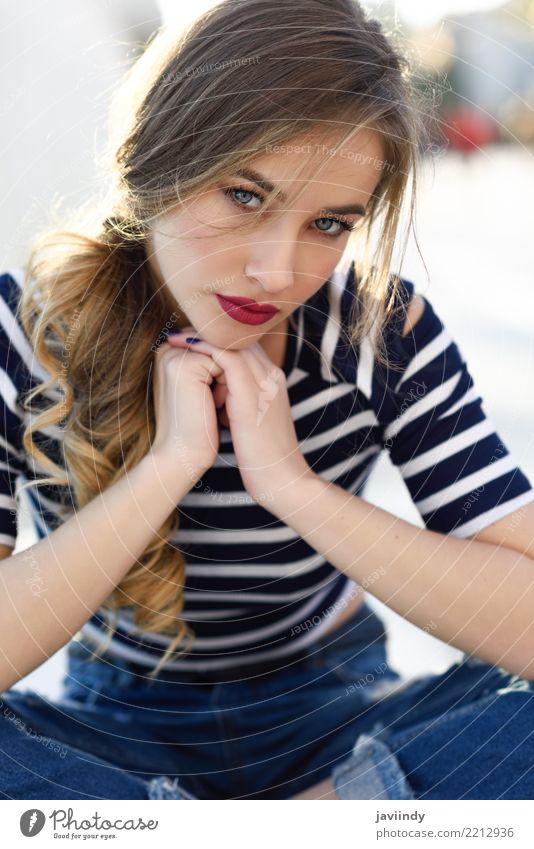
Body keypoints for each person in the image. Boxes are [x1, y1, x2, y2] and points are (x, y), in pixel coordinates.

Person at [1, 0, 533, 801]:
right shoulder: (30, 330)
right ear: (155, 159)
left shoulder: (375, 330)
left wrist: (291, 484)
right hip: (109, 736)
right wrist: (166, 469)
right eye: (245, 196)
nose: (278, 273)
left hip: (341, 716)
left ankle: (310, 817)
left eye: (328, 222)